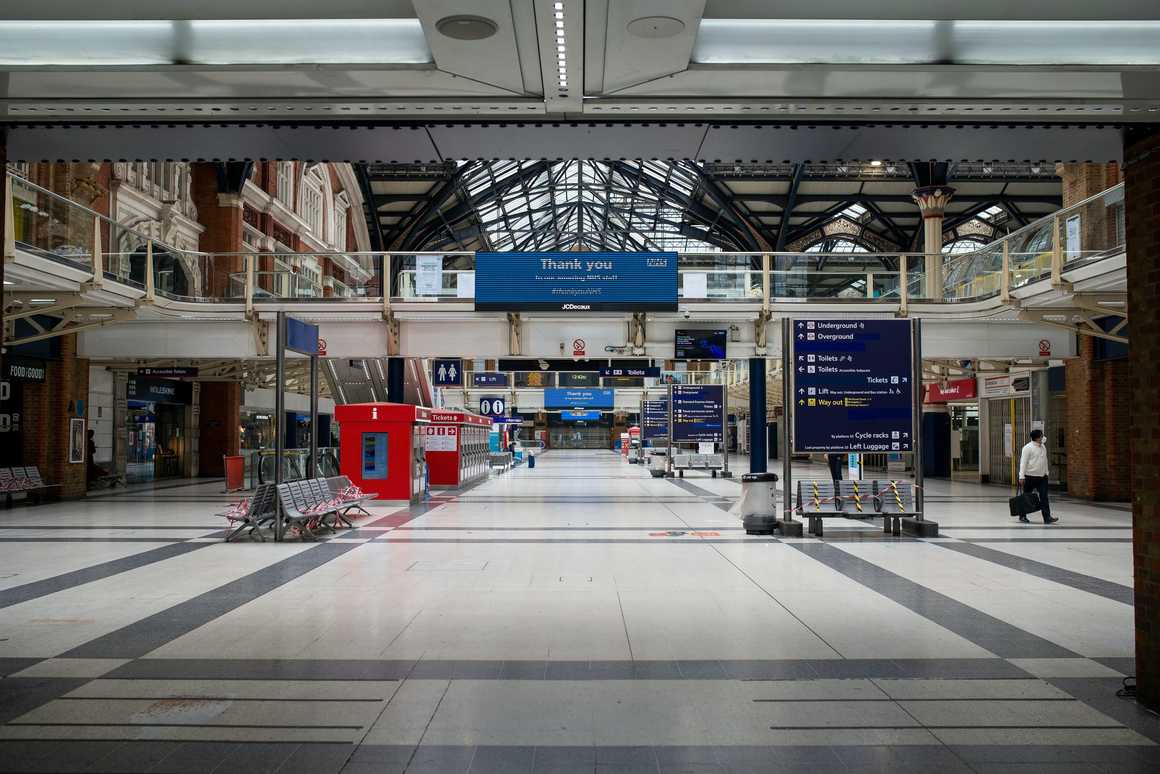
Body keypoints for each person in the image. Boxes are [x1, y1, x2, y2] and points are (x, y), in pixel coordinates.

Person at [1018, 428, 1058, 524]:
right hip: (1030, 476)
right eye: (1041, 436)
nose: (1043, 437)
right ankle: (1022, 515)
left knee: (1044, 497)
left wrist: (1046, 472)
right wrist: (1021, 476)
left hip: (1042, 477)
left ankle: (1047, 517)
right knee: (1026, 497)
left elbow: (1045, 440)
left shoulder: (1042, 446)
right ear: (1036, 438)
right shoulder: (1027, 448)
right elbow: (1023, 463)